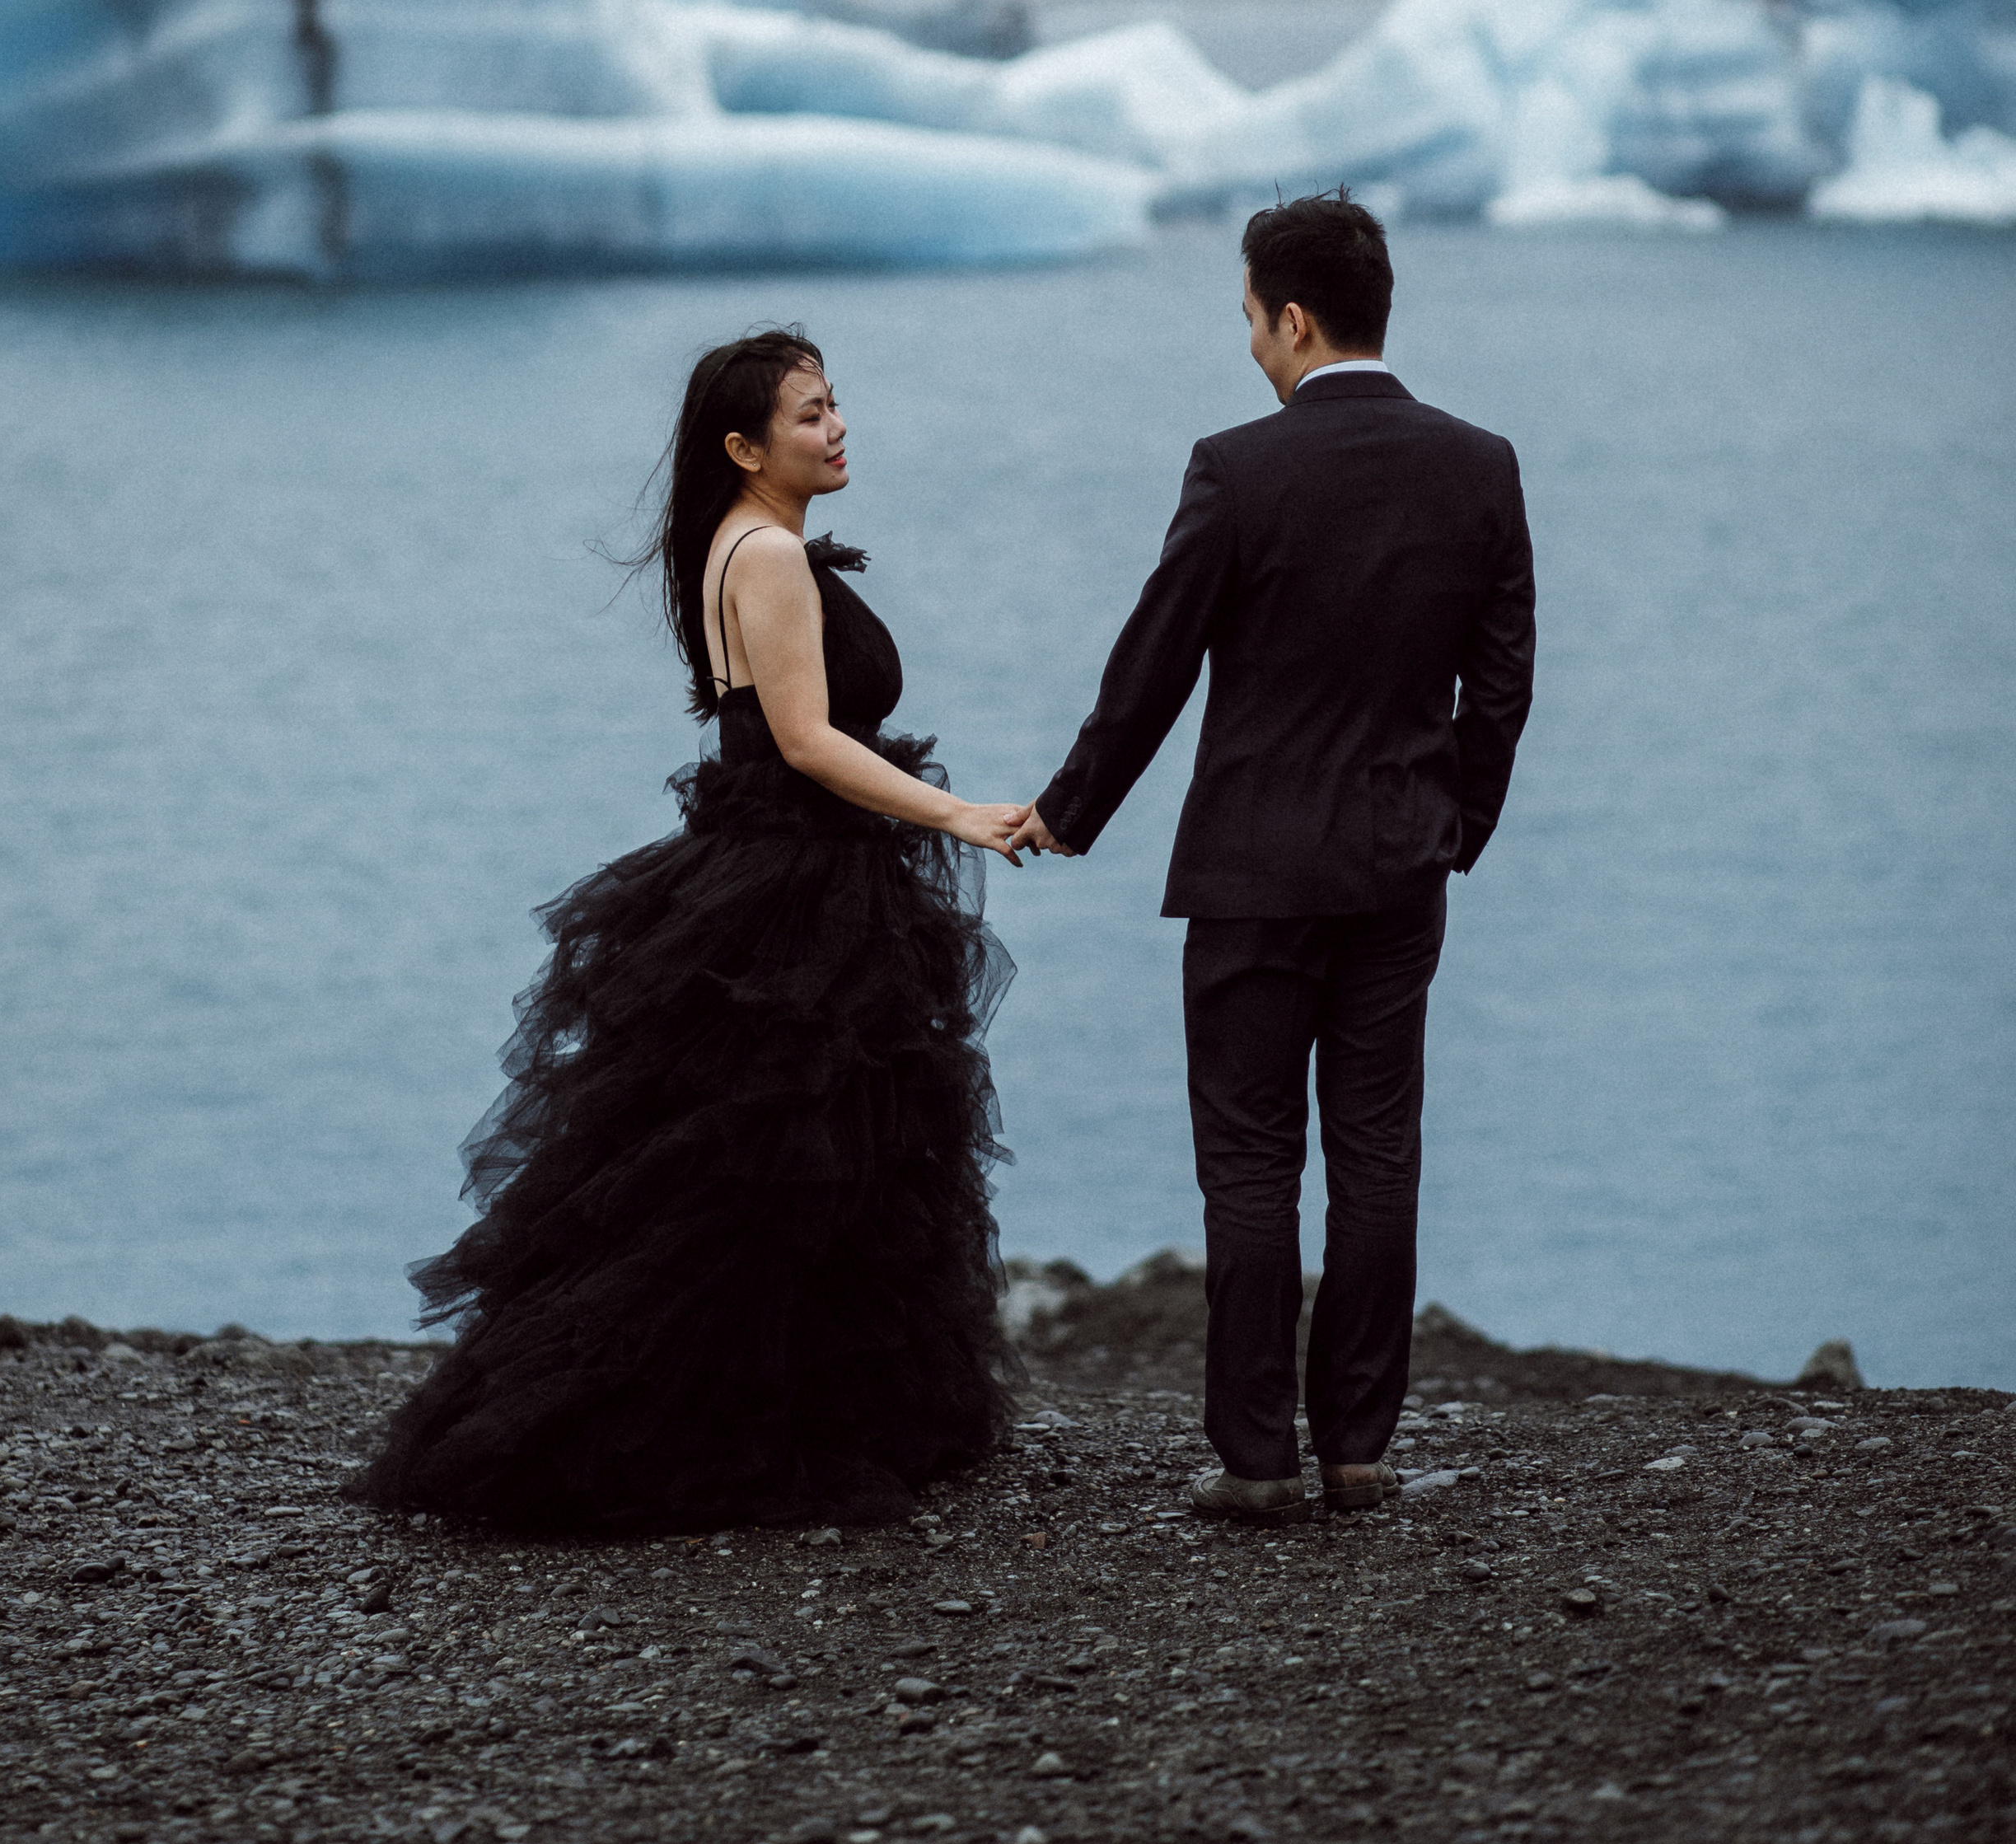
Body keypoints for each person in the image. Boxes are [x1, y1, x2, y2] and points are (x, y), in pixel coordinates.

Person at [353, 327, 1028, 1536]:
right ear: (744, 446)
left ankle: (808, 1413)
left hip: (780, 870)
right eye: (811, 414)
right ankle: (702, 1435)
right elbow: (812, 744)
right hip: (794, 886)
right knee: (765, 1172)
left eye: (835, 406)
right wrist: (961, 815)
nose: (837, 427)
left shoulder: (750, 542)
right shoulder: (764, 553)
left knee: (783, 1167)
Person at [1014, 194, 1534, 1523]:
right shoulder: (1482, 464)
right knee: (1376, 1151)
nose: (1249, 345)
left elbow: (1154, 665)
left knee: (1249, 1161)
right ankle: (1358, 1449)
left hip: (1253, 872)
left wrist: (1069, 811)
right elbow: (1504, 682)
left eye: (1250, 319)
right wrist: (1456, 826)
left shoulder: (1235, 469)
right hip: (1400, 867)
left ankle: (1255, 1462)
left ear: (1295, 317)